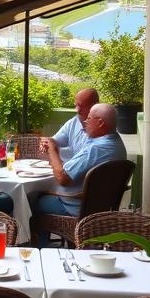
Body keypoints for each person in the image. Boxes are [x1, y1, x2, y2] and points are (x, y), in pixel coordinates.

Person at [32, 103, 127, 244]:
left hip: (78, 209)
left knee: (34, 200)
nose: (85, 122)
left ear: (100, 123)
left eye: (89, 118)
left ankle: (41, 249)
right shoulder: (117, 143)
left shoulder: (96, 149)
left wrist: (52, 150)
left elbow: (63, 178)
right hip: (104, 208)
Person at [42, 87, 98, 161]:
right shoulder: (74, 122)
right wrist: (47, 143)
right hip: (74, 165)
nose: (78, 110)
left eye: (81, 106)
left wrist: (54, 153)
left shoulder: (102, 129)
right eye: (76, 105)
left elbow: (85, 159)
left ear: (94, 106)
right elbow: (55, 141)